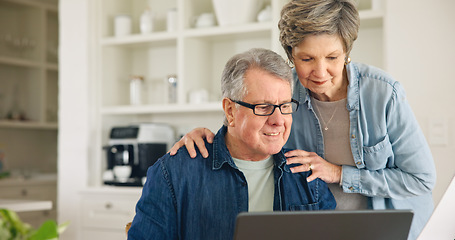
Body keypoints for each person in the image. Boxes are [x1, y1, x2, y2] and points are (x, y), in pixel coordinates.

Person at [169, 1, 437, 239]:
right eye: (306, 59)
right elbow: (245, 123)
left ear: (347, 52)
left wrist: (339, 173)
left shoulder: (383, 94)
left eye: (332, 58)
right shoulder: (285, 92)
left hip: (388, 231)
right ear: (290, 55)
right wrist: (204, 136)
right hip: (320, 228)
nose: (320, 72)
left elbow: (421, 179)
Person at [127, 48, 336, 240]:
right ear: (230, 111)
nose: (278, 120)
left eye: (285, 106)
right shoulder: (173, 174)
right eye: (264, 107)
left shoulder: (308, 176)